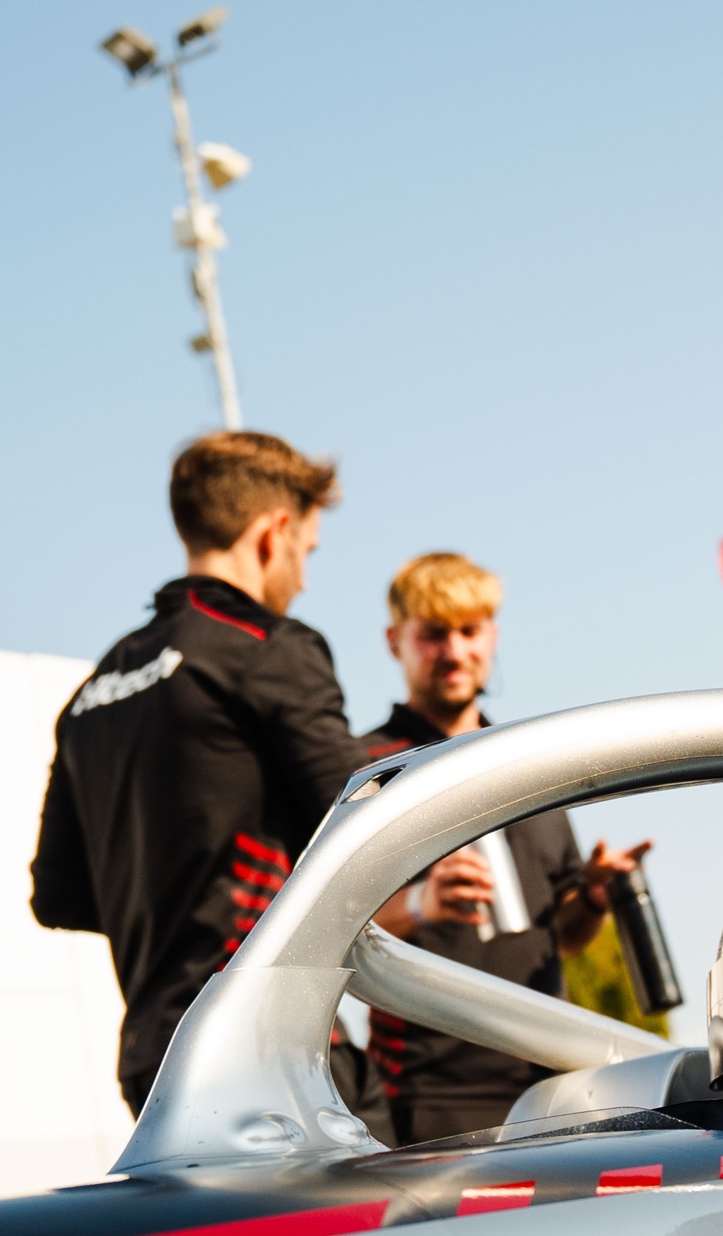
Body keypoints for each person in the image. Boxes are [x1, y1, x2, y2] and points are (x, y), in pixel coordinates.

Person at [31, 430, 363, 1116]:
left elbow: (58, 897)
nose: (303, 578)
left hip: (154, 1060)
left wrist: (167, 890)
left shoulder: (91, 692)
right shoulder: (264, 649)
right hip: (270, 1045)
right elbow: (370, 832)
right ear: (273, 534)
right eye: (306, 551)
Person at [358, 552, 651, 1145]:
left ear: (492, 635)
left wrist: (592, 898)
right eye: (434, 633)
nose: (455, 651)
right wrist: (419, 904)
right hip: (424, 1089)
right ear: (395, 641)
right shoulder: (366, 771)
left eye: (469, 631)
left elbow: (561, 938)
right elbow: (329, 928)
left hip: (550, 1079)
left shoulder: (530, 765)